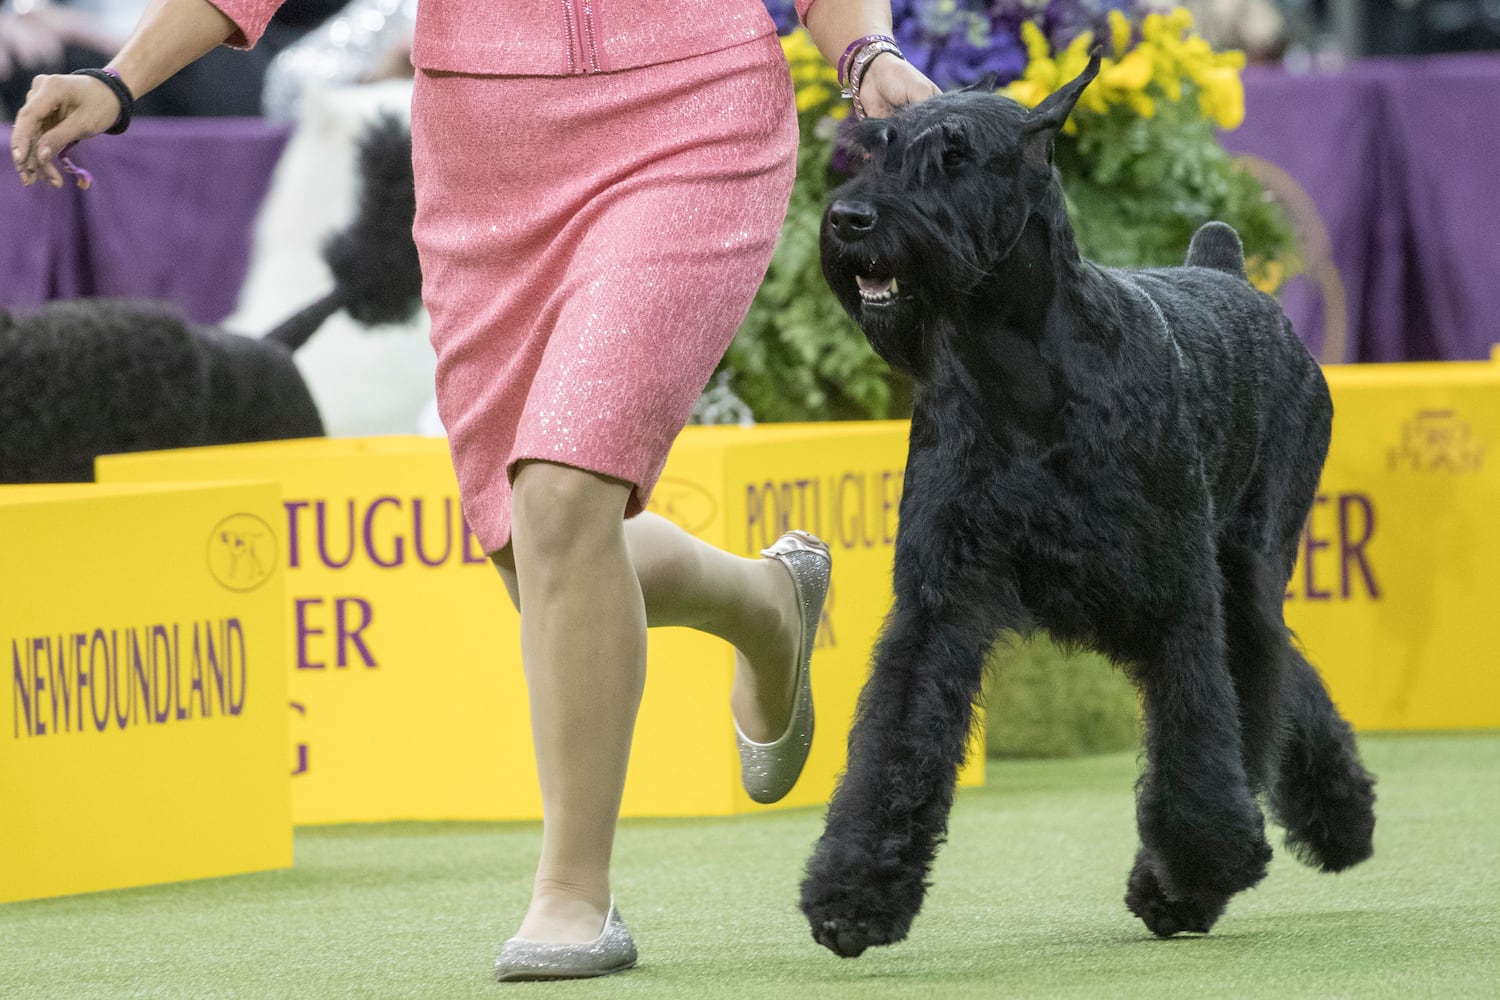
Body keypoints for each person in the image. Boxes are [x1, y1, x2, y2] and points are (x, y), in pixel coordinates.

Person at [11, 0, 938, 981]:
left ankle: (573, 894)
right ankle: (761, 600)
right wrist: (117, 81)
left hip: (693, 113)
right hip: (483, 154)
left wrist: (863, 50)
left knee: (560, 491)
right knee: (531, 549)